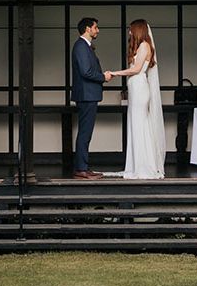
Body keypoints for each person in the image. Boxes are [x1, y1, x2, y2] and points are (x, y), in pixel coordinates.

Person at [107, 19, 165, 179]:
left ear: (138, 30)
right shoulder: (141, 46)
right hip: (136, 88)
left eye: (131, 30)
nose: (129, 32)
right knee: (136, 126)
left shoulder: (144, 45)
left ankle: (143, 166)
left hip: (139, 88)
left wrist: (115, 73)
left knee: (140, 126)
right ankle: (136, 164)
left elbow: (137, 69)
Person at [71, 17, 112, 180]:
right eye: (96, 27)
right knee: (85, 133)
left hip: (88, 95)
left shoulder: (84, 46)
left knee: (85, 132)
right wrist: (103, 77)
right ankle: (81, 169)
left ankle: (83, 167)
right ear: (88, 29)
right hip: (86, 95)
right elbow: (86, 72)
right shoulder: (81, 46)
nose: (98, 30)